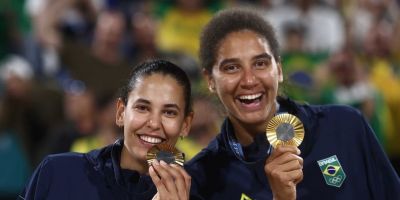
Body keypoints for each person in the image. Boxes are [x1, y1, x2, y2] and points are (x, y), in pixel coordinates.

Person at [184, 8, 400, 200]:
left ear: (278, 69)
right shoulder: (203, 180)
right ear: (210, 81)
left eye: (260, 63)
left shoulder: (345, 126)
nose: (249, 80)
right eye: (231, 68)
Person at [19, 59, 193, 200]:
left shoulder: (203, 192)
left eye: (169, 112)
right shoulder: (60, 173)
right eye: (142, 108)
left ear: (185, 124)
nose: (154, 123)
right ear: (120, 113)